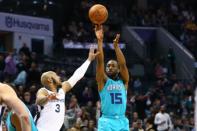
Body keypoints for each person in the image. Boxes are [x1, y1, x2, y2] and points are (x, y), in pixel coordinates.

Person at [35, 46, 99, 131]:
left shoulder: (62, 90)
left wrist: (89, 60)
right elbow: (39, 100)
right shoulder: (44, 91)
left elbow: (76, 76)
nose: (58, 76)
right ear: (50, 80)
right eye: (55, 75)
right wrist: (47, 98)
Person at [94, 25, 130, 131]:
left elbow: (123, 64)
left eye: (113, 65)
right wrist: (100, 41)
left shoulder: (124, 82)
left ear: (118, 69)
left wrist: (116, 47)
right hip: (107, 121)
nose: (109, 67)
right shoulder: (103, 81)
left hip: (122, 121)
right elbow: (100, 62)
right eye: (108, 66)